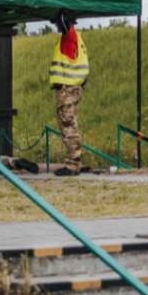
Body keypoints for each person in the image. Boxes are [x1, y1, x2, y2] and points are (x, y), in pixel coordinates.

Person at [48, 10, 88, 176]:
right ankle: (75, 162)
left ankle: (72, 164)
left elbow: (63, 21)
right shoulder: (75, 37)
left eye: (57, 22)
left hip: (67, 89)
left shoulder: (68, 36)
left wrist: (60, 13)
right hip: (72, 88)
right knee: (70, 125)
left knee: (68, 126)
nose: (56, 25)